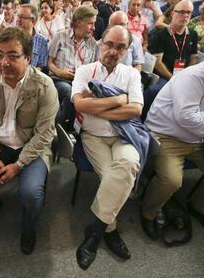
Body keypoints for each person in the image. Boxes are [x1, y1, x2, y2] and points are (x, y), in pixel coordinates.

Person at [0, 27, 59, 255]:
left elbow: (45, 134)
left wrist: (18, 165)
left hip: (31, 148)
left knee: (31, 193)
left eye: (13, 56)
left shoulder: (44, 86)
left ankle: (28, 228)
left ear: (28, 58)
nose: (4, 62)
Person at [72, 25, 144, 270]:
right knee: (112, 177)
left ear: (127, 50)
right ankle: (110, 232)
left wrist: (97, 105)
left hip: (125, 134)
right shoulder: (84, 71)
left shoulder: (132, 75)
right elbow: (79, 106)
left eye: (120, 47)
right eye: (109, 44)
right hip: (93, 136)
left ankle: (95, 232)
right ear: (100, 43)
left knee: (128, 164)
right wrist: (118, 100)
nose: (113, 51)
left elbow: (136, 109)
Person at [141, 49, 204, 239]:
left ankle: (201, 208)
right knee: (171, 180)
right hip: (168, 135)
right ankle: (148, 213)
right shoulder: (194, 76)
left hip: (202, 137)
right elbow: (186, 118)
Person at [48, 6, 99, 126]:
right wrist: (60, 72)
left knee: (84, 95)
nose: (94, 27)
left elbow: (93, 71)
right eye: (90, 23)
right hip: (58, 79)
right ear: (79, 22)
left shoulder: (93, 44)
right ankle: (72, 127)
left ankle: (56, 126)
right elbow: (49, 63)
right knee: (69, 92)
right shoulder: (61, 37)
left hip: (81, 83)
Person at [150, 0, 198, 82]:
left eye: (189, 12)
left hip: (184, 77)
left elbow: (193, 58)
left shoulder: (193, 34)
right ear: (172, 13)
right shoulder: (160, 34)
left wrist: (187, 76)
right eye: (182, 12)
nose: (185, 15)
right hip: (164, 77)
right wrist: (173, 79)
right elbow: (157, 63)